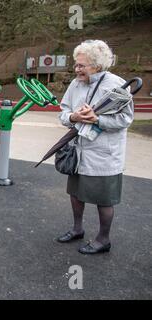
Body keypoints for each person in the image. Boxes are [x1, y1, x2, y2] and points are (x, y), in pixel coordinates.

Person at [56, 40, 134, 254]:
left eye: (82, 65)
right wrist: (73, 116)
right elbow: (63, 112)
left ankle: (103, 239)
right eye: (76, 64)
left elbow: (125, 120)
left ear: (97, 65)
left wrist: (97, 120)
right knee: (75, 193)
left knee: (104, 200)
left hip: (104, 155)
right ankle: (77, 229)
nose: (77, 69)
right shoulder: (75, 84)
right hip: (78, 151)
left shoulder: (117, 85)